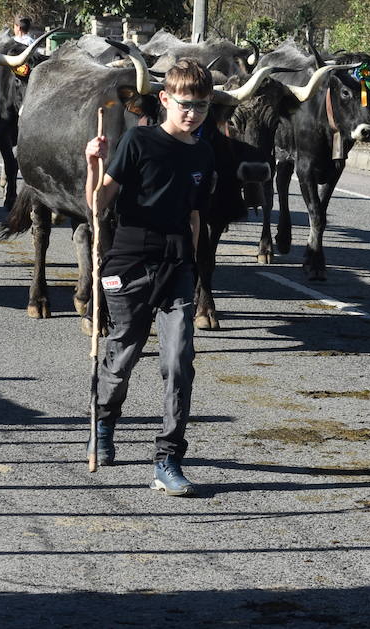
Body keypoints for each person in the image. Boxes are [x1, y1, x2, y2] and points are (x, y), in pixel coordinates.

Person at [83, 58, 216, 497]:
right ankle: (103, 423)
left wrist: (197, 274)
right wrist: (92, 164)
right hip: (130, 262)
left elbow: (195, 215)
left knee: (178, 362)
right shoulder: (137, 142)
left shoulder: (203, 150)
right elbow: (99, 204)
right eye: (184, 104)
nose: (192, 113)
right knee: (122, 356)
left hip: (177, 265)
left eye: (200, 105)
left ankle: (168, 458)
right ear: (164, 100)